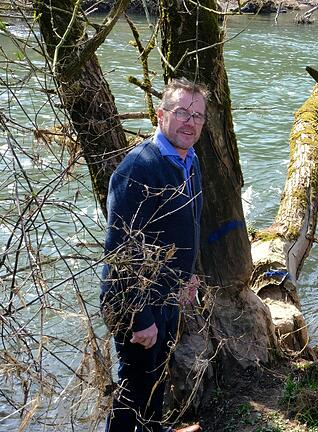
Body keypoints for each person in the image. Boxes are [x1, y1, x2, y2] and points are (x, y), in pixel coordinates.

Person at [100, 77, 207, 432]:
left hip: (168, 291)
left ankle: (156, 429)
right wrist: (139, 316)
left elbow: (187, 225)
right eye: (181, 113)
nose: (190, 122)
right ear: (161, 115)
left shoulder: (189, 161)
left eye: (198, 115)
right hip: (133, 299)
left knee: (158, 372)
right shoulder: (138, 169)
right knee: (134, 384)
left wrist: (188, 275)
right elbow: (121, 251)